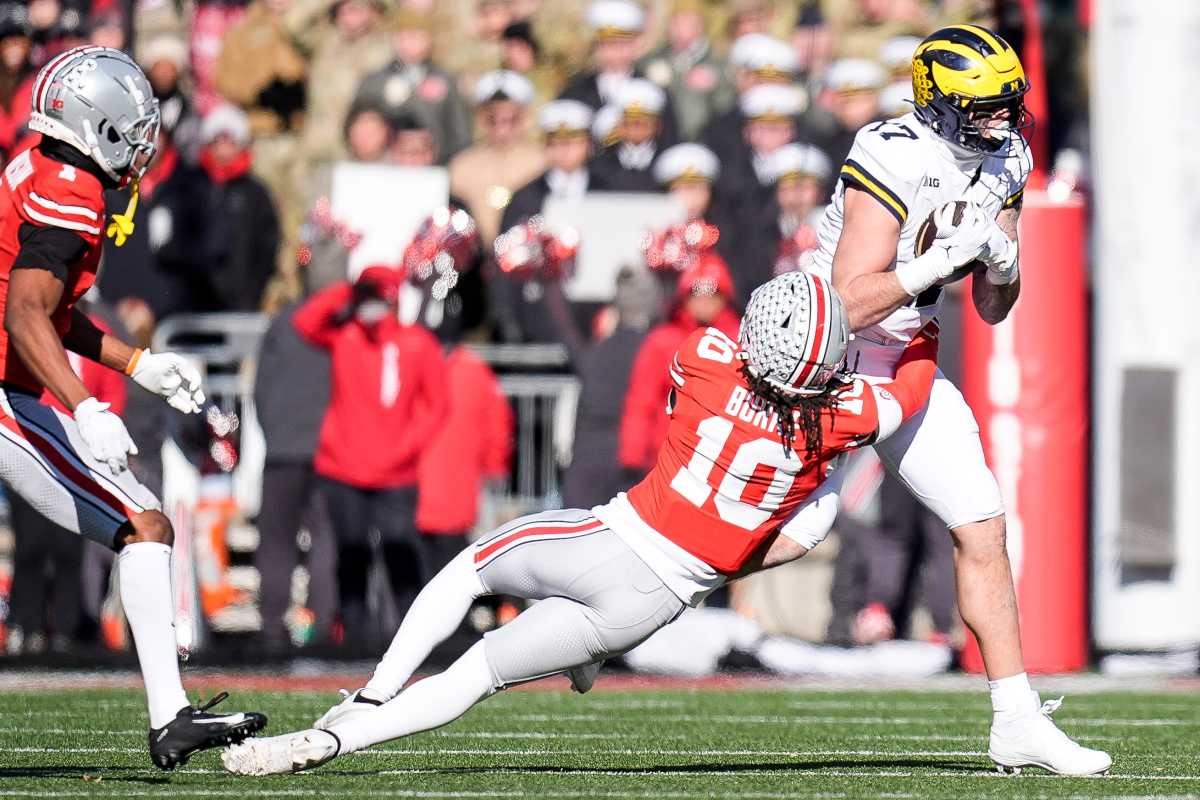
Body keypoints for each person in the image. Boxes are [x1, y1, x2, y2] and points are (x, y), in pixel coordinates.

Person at [220, 272, 941, 776]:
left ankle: (371, 696)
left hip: (611, 540)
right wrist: (925, 318)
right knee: (478, 674)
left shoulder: (708, 360)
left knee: (469, 568)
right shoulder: (842, 418)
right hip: (654, 603)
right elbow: (907, 391)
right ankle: (340, 743)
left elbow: (726, 344)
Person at [809, 25, 1111, 775]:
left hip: (907, 357)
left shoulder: (1007, 154)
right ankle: (602, 610)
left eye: (1009, 105)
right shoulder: (893, 151)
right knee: (772, 539)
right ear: (937, 103)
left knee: (981, 524)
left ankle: (1016, 717)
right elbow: (849, 301)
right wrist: (933, 265)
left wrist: (1004, 261)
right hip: (825, 356)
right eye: (982, 108)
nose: (1002, 123)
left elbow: (992, 309)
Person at [0, 45, 263, 769]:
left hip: (13, 386)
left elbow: (45, 307)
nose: (146, 142)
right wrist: (85, 405)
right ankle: (169, 717)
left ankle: (171, 714)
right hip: (6, 395)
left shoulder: (48, 166)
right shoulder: (73, 190)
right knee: (143, 524)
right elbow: (24, 315)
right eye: (136, 126)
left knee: (142, 522)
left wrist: (137, 363)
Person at [292, 265, 448, 647]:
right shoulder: (347, 337)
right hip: (344, 470)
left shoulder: (416, 343)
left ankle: (414, 640)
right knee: (351, 557)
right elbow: (305, 322)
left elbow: (438, 405)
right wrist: (350, 289)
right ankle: (355, 639)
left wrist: (407, 446)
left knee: (401, 556)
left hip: (397, 474)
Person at [618, 253, 739, 478]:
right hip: (669, 463)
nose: (704, 302)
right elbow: (641, 402)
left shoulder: (741, 340)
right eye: (696, 294)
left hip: (726, 465)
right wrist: (632, 457)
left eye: (713, 294)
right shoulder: (662, 341)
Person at [494, 99, 599, 345]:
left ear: (587, 144)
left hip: (594, 315)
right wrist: (508, 319)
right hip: (539, 315)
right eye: (555, 143)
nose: (564, 151)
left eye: (572, 142)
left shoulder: (606, 191)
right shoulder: (525, 198)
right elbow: (503, 264)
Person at [352, 10, 473, 164]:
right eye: (403, 36)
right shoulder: (374, 81)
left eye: (416, 36)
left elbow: (460, 132)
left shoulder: (446, 81)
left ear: (429, 40)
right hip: (381, 167)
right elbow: (355, 127)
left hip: (435, 167)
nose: (409, 43)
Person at [448, 69, 545, 246]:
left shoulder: (542, 162)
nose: (502, 130)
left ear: (526, 118)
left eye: (511, 120)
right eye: (492, 120)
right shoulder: (462, 166)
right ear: (480, 119)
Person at [637, 0, 734, 142]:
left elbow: (727, 105)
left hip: (706, 141)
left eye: (688, 23)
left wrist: (716, 83)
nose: (680, 29)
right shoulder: (654, 59)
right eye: (676, 22)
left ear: (701, 26)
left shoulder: (717, 62)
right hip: (663, 140)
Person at [587, 78, 668, 193]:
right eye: (629, 123)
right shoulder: (599, 164)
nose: (635, 130)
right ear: (618, 126)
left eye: (643, 124)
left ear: (657, 126)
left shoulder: (665, 161)